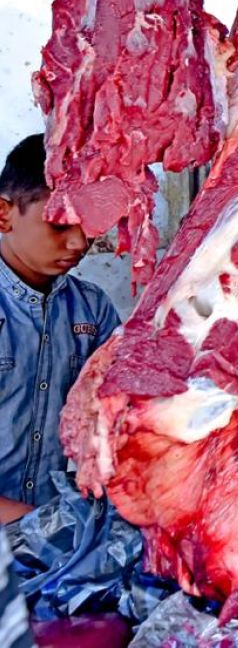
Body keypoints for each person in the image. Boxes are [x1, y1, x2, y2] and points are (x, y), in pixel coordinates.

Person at [0, 135, 120, 524]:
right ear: (4, 214)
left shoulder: (93, 309)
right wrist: (34, 527)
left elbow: (116, 415)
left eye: (88, 227)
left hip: (48, 524)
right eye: (60, 225)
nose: (79, 242)